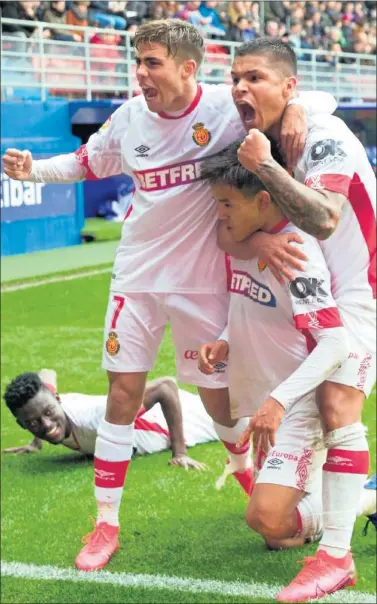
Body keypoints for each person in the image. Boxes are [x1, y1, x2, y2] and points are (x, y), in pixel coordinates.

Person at [2, 19, 337, 573]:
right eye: (137, 62)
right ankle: (105, 523)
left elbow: (302, 96)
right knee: (122, 395)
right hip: (135, 278)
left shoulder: (226, 111)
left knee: (218, 403)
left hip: (202, 281)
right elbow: (87, 162)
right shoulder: (129, 117)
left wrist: (298, 112)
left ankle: (248, 481)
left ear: (187, 67)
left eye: (152, 62)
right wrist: (33, 170)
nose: (140, 74)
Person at [210, 38, 375, 601]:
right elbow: (224, 224)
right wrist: (256, 237)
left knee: (336, 404)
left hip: (363, 291)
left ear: (288, 87)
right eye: (234, 78)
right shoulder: (264, 134)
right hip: (315, 287)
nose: (238, 88)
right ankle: (359, 496)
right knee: (269, 526)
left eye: (253, 78)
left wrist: (266, 167)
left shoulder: (321, 137)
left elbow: (325, 218)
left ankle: (336, 559)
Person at [2, 369, 216, 469]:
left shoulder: (93, 417)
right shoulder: (46, 402)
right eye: (33, 423)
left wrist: (180, 453)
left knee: (237, 423)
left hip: (191, 420)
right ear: (22, 424)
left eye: (48, 412)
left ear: (56, 399)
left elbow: (166, 387)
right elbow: (46, 373)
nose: (47, 427)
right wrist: (35, 443)